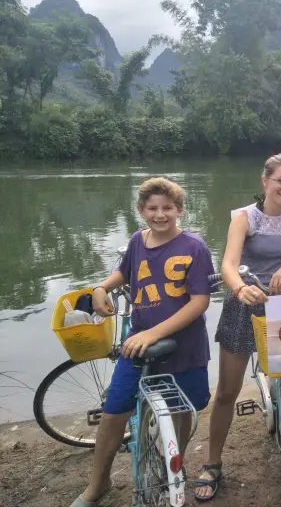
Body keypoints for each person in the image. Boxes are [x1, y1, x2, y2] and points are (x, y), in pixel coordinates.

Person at [194, 153, 281, 502]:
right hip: (244, 305)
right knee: (227, 391)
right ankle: (212, 462)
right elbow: (228, 264)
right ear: (265, 181)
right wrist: (241, 288)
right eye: (280, 181)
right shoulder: (245, 218)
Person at [71, 177, 215, 507]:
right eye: (152, 208)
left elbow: (199, 302)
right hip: (137, 345)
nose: (160, 214)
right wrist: (101, 287)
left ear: (179, 210)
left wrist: (153, 333)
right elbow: (125, 272)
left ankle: (171, 470)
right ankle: (99, 483)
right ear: (140, 210)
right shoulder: (137, 240)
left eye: (167, 208)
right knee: (114, 410)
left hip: (184, 344)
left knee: (181, 409)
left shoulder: (194, 247)